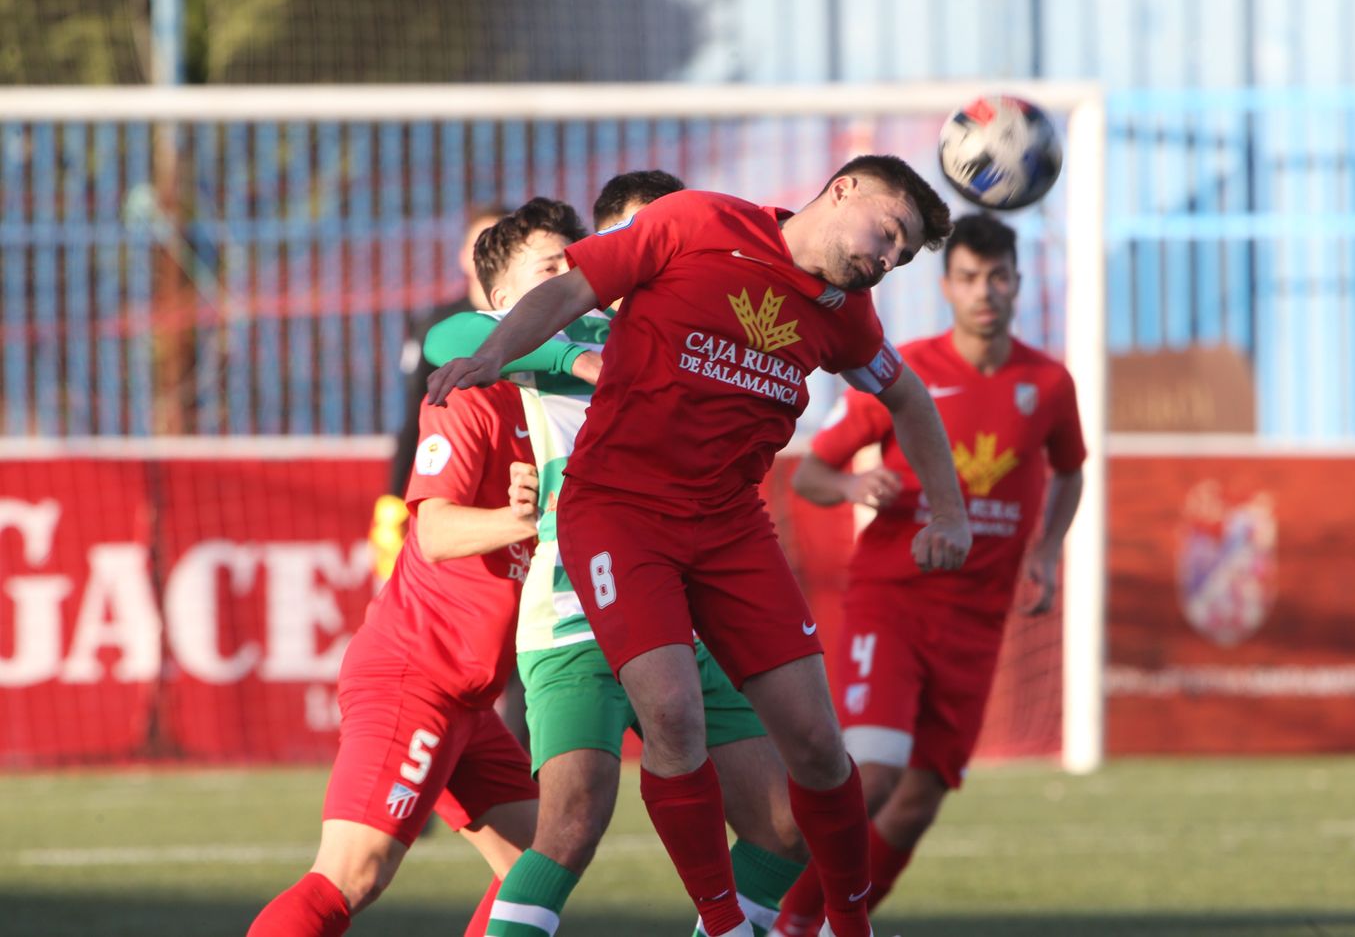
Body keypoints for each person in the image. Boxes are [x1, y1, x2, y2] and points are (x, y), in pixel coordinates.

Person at [428, 155, 970, 937]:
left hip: (728, 528)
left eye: (904, 254)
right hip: (618, 517)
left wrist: (949, 513)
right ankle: (721, 923)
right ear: (843, 188)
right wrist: (493, 355)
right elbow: (563, 291)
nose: (888, 258)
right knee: (652, 740)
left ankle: (848, 922)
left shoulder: (845, 311)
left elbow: (907, 395)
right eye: (890, 231)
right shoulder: (700, 222)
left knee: (818, 748)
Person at [424, 175, 810, 937]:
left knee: (784, 828)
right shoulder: (559, 335)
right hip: (576, 612)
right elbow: (452, 338)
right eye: (551, 267)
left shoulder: (690, 331)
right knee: (568, 827)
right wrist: (573, 361)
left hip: (684, 610)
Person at [246, 206, 596, 937]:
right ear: (497, 304)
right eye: (550, 268)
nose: (573, 279)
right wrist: (526, 520)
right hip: (416, 674)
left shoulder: (566, 399)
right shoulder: (472, 390)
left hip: (469, 700)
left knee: (537, 867)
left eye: (579, 263)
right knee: (351, 876)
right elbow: (432, 531)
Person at [771, 214, 1087, 936]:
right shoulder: (906, 370)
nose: (985, 292)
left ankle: (823, 924)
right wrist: (855, 489)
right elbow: (813, 472)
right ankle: (790, 923)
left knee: (917, 804)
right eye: (970, 277)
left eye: (999, 277)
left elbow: (1070, 472)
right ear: (947, 286)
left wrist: (1045, 552)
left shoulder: (1050, 383)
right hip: (894, 605)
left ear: (1017, 283)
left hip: (978, 622)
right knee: (874, 776)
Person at [369, 204, 507, 583]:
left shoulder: (541, 325)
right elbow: (414, 416)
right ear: (464, 256)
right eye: (482, 243)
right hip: (455, 493)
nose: (491, 253)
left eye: (504, 242)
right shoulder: (437, 329)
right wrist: (394, 499)